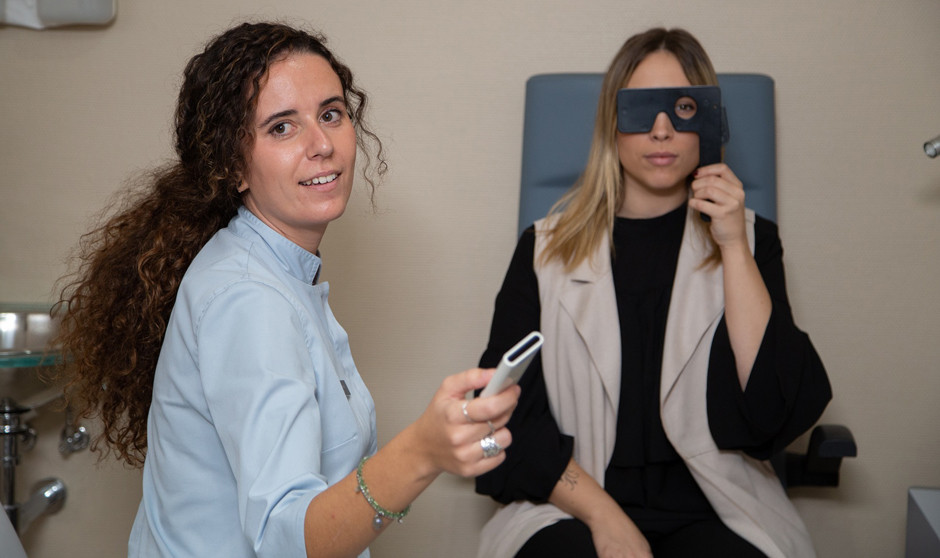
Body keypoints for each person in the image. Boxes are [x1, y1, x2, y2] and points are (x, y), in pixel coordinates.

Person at [52, 21, 519, 558]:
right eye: (281, 127)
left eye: (331, 114)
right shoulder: (249, 299)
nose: (322, 144)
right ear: (232, 165)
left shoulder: (275, 271)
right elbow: (285, 538)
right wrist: (422, 451)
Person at [474, 28, 831, 558]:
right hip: (576, 501)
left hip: (716, 508)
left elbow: (771, 412)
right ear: (612, 125)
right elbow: (503, 415)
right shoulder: (543, 250)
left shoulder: (754, 240)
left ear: (709, 124)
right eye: (643, 111)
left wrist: (734, 247)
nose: (662, 130)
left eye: (684, 108)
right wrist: (605, 517)